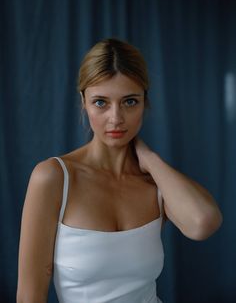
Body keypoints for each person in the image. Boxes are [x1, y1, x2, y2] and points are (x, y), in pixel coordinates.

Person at [17, 38, 223, 303]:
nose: (116, 118)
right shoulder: (54, 177)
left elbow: (203, 223)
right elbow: (29, 295)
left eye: (129, 102)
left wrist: (149, 158)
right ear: (83, 101)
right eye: (101, 102)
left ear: (144, 102)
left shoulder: (156, 182)